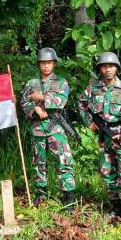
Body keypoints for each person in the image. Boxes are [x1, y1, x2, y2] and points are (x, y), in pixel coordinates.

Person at [77, 52, 121, 224]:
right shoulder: (94, 89)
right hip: (104, 137)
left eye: (111, 66)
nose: (108, 70)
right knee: (107, 172)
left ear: (117, 68)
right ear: (100, 69)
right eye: (104, 66)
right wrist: (89, 120)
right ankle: (116, 208)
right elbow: (81, 103)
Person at [20, 47, 76, 211]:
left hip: (55, 127)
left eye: (49, 63)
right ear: (39, 64)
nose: (46, 66)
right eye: (43, 63)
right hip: (37, 127)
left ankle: (69, 196)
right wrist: (34, 109)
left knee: (63, 160)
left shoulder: (61, 82)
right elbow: (24, 101)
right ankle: (40, 193)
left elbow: (61, 101)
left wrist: (42, 98)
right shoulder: (31, 83)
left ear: (54, 64)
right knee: (39, 162)